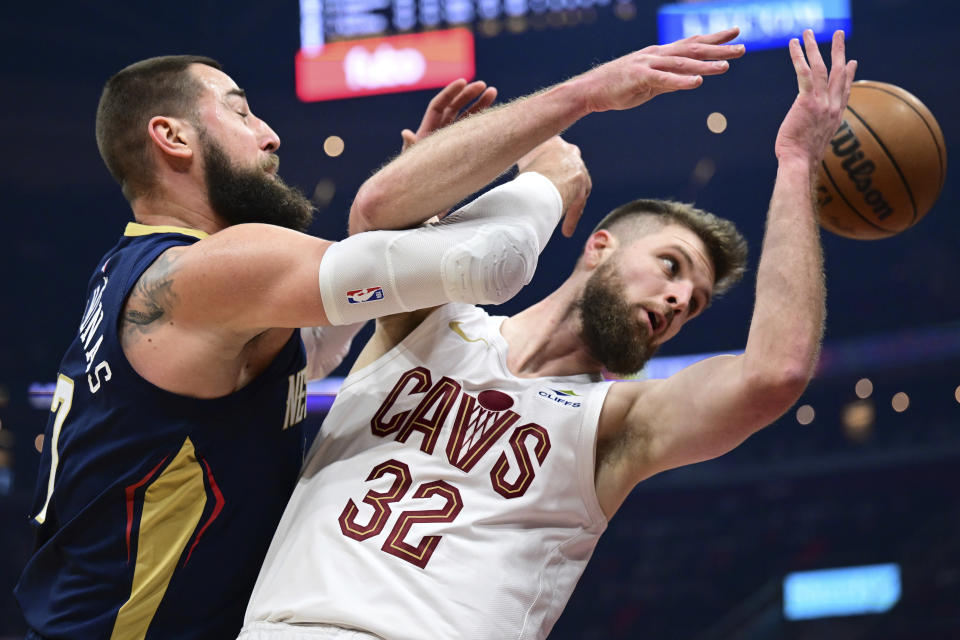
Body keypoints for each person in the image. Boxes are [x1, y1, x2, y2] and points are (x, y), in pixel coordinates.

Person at [16, 27, 746, 640]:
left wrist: (423, 201)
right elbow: (487, 265)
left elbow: (339, 329)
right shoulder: (211, 273)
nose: (269, 134)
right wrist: (560, 148)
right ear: (171, 136)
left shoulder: (168, 283)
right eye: (240, 112)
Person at [239, 29, 856, 640]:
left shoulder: (618, 424)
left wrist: (797, 161)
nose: (676, 301)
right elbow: (375, 213)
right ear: (600, 246)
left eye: (692, 305)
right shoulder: (434, 320)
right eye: (670, 266)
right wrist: (585, 94)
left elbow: (776, 373)